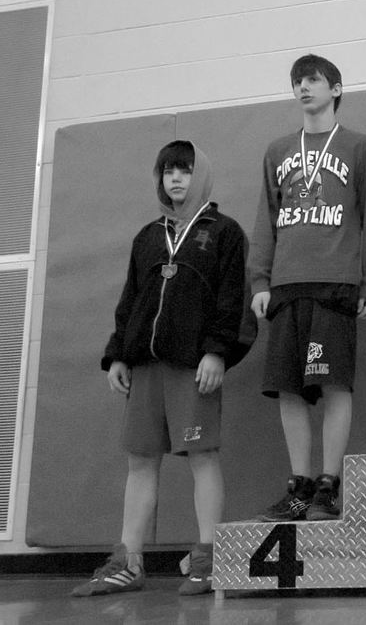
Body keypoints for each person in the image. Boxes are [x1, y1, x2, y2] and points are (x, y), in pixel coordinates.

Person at [73, 140, 251, 597]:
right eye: (168, 171)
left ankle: (209, 555)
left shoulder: (224, 232)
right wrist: (117, 353)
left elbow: (232, 301)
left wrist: (216, 351)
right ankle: (129, 561)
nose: (175, 179)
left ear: (202, 175)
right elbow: (130, 301)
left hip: (193, 365)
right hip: (145, 365)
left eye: (185, 171)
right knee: (140, 460)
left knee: (202, 456)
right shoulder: (148, 236)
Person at [251, 54, 366, 521]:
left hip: (336, 282)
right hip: (286, 283)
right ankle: (300, 485)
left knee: (333, 383)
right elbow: (266, 220)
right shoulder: (278, 151)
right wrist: (260, 279)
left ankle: (329, 485)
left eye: (313, 80)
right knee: (288, 390)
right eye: (297, 82)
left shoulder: (360, 148)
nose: (304, 88)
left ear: (336, 88)